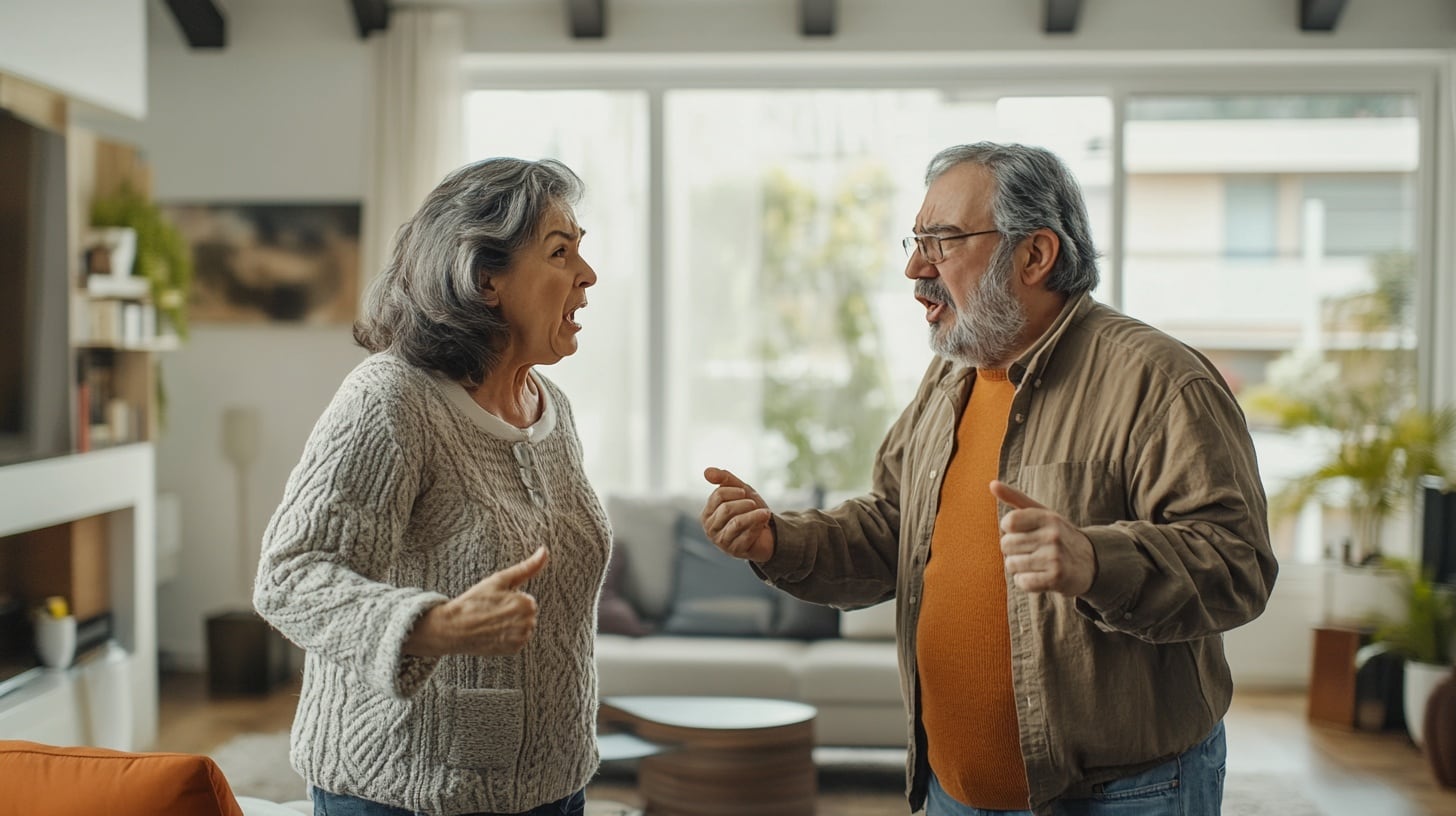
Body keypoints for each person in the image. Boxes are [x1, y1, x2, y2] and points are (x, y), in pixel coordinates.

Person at [700, 142, 1278, 816]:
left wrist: (1096, 562)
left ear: (1035, 255)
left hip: (1125, 794)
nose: (916, 268)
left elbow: (1236, 565)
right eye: (917, 241)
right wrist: (778, 539)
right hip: (953, 791)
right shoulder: (951, 375)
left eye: (942, 242)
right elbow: (895, 528)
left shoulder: (1159, 380)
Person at [253, 157, 608, 816]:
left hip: (555, 786)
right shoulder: (391, 400)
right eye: (561, 252)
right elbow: (290, 577)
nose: (587, 275)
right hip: (402, 789)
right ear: (485, 278)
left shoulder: (552, 408)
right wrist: (432, 625)